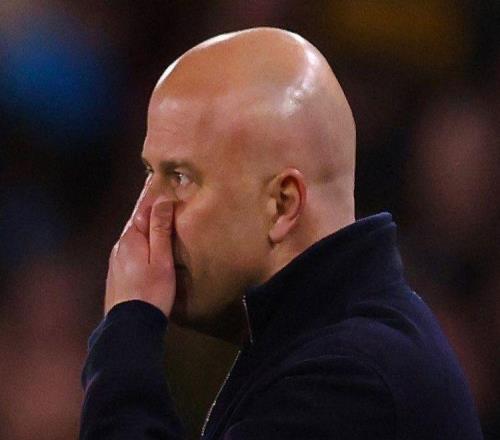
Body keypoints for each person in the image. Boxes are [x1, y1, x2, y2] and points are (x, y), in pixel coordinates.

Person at [79, 27, 483, 439]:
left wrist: (128, 330)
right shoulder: (325, 344)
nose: (144, 215)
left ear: (283, 204)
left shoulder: (350, 381)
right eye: (150, 172)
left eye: (181, 177)